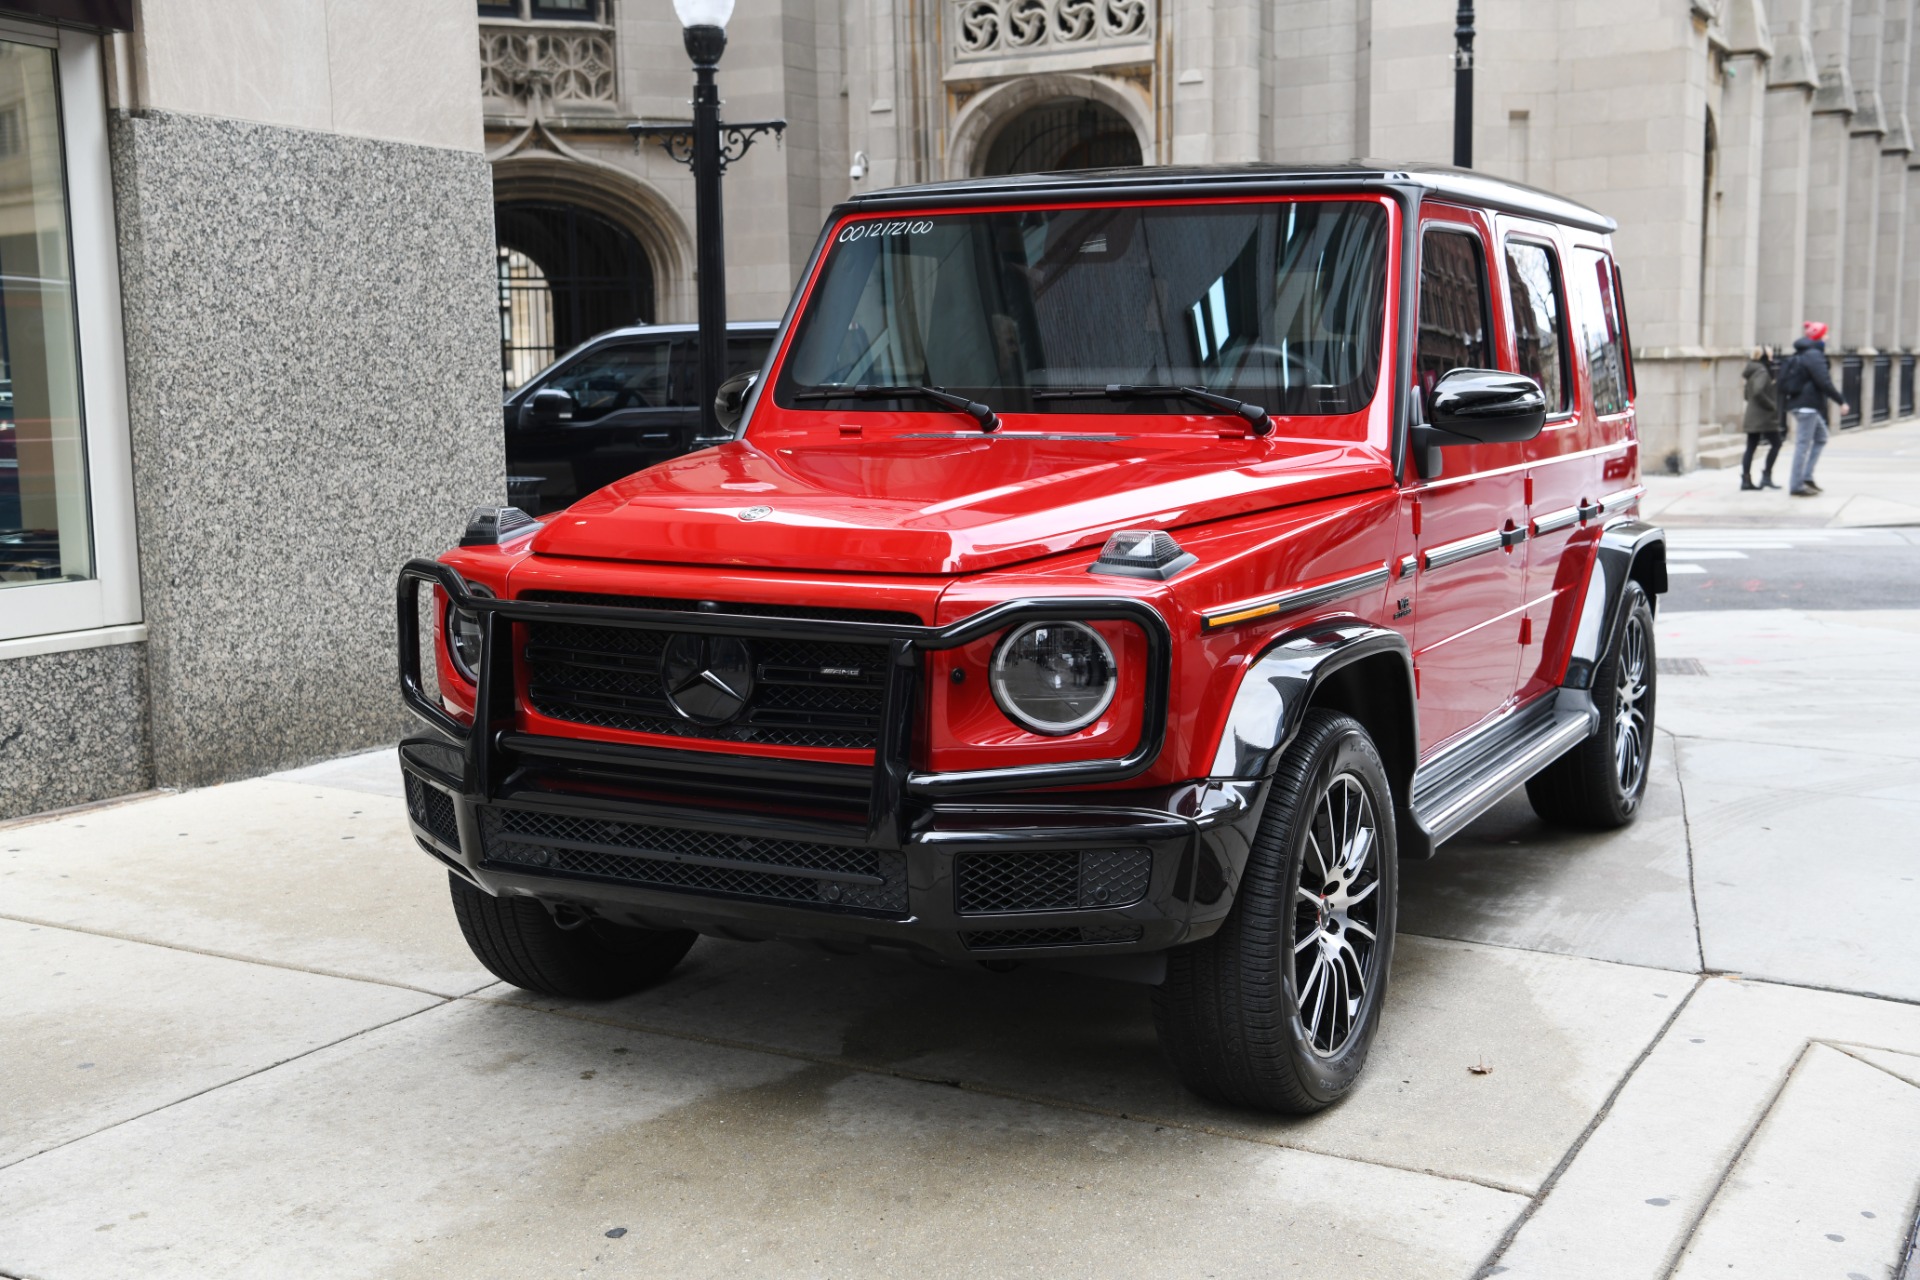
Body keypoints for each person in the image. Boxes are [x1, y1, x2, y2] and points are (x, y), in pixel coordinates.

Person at [1778, 321, 1848, 496]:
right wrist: (1841, 401)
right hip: (1807, 406)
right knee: (1802, 445)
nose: (1827, 337)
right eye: (1825, 334)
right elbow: (1824, 381)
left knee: (1821, 437)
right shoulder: (1814, 355)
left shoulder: (1804, 352)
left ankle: (1807, 477)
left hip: (1802, 404)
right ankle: (1796, 484)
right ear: (1819, 336)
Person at [1738, 345, 1783, 490]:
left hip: (1753, 415)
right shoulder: (1762, 371)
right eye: (1770, 355)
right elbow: (1758, 391)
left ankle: (1746, 480)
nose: (1772, 358)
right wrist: (1771, 405)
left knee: (1750, 447)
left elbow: (1747, 394)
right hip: (1764, 416)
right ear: (1763, 356)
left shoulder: (1753, 370)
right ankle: (1766, 476)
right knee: (1776, 444)